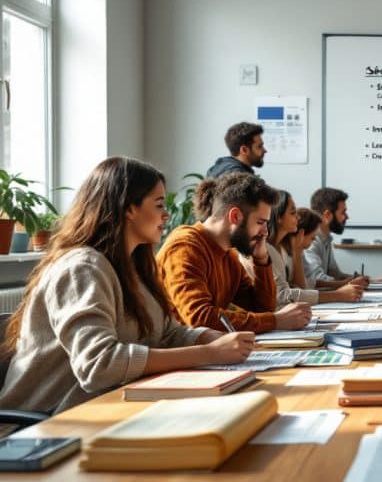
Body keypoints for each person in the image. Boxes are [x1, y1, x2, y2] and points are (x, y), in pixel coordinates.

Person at [0, 158, 255, 414]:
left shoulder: (133, 267)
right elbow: (99, 365)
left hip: (104, 409)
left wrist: (207, 337)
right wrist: (208, 353)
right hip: (47, 428)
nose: (166, 214)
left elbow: (166, 333)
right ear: (128, 208)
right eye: (158, 205)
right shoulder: (82, 268)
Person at [156, 172, 311, 333]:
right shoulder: (185, 247)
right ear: (235, 216)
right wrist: (276, 321)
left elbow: (261, 308)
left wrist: (261, 260)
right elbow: (199, 318)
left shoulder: (227, 253)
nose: (265, 232)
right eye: (260, 223)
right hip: (181, 352)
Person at [259, 192, 362, 306]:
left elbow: (300, 286)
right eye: (293, 213)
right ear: (279, 217)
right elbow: (282, 295)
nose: (298, 217)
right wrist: (338, 294)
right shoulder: (265, 250)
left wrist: (297, 251)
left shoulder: (286, 249)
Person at [303, 187, 372, 289]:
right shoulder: (311, 241)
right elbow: (317, 278)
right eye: (343, 212)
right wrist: (348, 283)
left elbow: (334, 273)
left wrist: (356, 279)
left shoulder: (326, 239)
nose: (346, 217)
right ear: (327, 215)